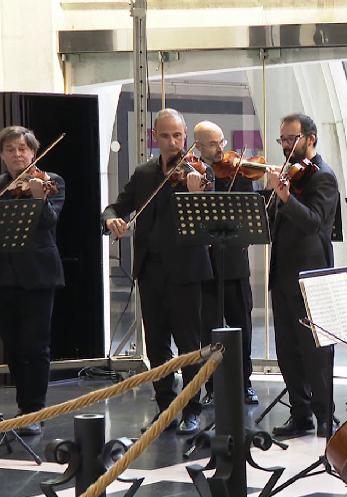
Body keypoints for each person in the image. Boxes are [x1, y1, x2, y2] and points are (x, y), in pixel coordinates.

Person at [103, 109, 211, 436]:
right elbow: (115, 207)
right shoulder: (144, 173)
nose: (172, 142)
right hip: (150, 270)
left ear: (185, 136)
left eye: (177, 136)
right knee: (156, 346)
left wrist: (197, 193)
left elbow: (210, 213)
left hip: (187, 271)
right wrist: (111, 221)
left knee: (190, 345)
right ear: (155, 137)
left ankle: (192, 408)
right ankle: (166, 407)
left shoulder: (198, 172)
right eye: (165, 136)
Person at [0, 126, 65, 436]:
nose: (16, 154)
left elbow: (51, 224)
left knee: (36, 346)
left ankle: (34, 409)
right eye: (10, 149)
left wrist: (40, 199)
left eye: (22, 149)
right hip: (3, 275)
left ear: (33, 153)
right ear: (2, 155)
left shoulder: (51, 181)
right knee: (11, 347)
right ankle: (22, 406)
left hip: (39, 274)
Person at [264, 113, 340, 439]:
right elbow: (273, 220)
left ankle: (324, 415)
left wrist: (285, 197)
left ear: (311, 138)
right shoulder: (289, 175)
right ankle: (300, 414)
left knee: (315, 352)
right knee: (287, 350)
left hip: (311, 277)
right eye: (282, 139)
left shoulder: (323, 177)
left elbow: (314, 222)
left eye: (291, 139)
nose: (285, 145)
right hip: (282, 275)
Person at [191, 121, 259, 406]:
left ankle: (245, 383)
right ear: (198, 147)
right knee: (208, 328)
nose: (221, 149)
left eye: (222, 142)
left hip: (233, 263)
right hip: (204, 266)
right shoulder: (191, 174)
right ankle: (212, 388)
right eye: (213, 144)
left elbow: (250, 212)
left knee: (241, 324)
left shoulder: (239, 172)